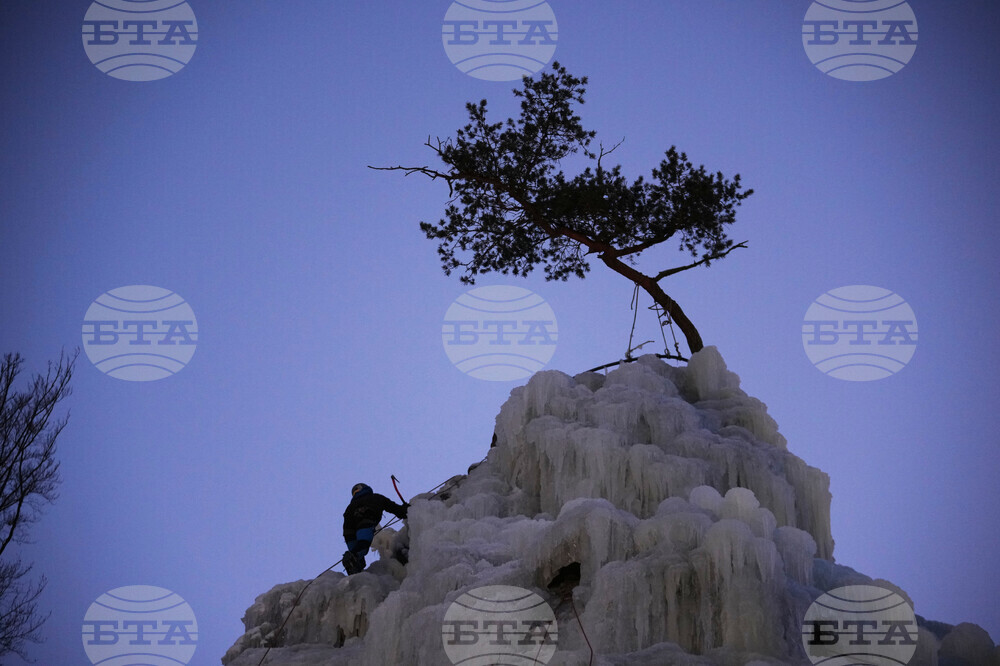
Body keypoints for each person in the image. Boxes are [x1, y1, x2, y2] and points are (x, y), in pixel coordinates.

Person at [342, 482, 408, 575]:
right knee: (363, 543)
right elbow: (393, 507)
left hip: (348, 530)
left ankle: (355, 565)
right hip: (366, 519)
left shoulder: (350, 506)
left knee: (357, 553)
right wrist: (405, 510)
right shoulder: (375, 497)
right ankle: (353, 559)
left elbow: (347, 523)